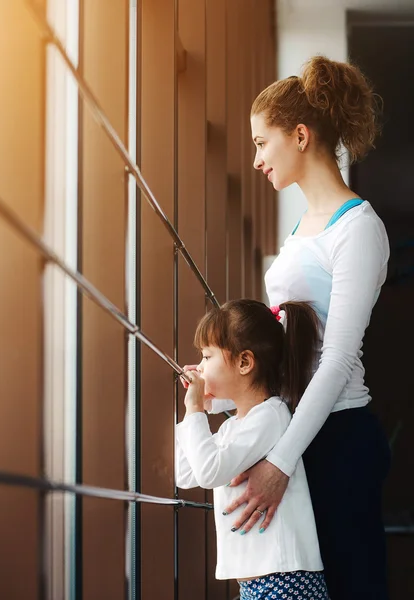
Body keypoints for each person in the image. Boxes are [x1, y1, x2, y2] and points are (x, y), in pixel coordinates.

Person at [208, 56, 391, 599]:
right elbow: (286, 349)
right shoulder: (302, 227)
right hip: (298, 433)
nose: (258, 159)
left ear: (301, 135)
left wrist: (280, 463)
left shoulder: (359, 229)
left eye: (263, 142)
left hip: (337, 437)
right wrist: (220, 393)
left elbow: (335, 360)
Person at [176, 299, 329, 599]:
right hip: (258, 583)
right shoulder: (235, 426)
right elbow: (186, 474)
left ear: (245, 363)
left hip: (285, 581)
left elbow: (208, 473)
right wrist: (197, 411)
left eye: (207, 356)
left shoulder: (270, 417)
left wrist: (195, 407)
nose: (202, 366)